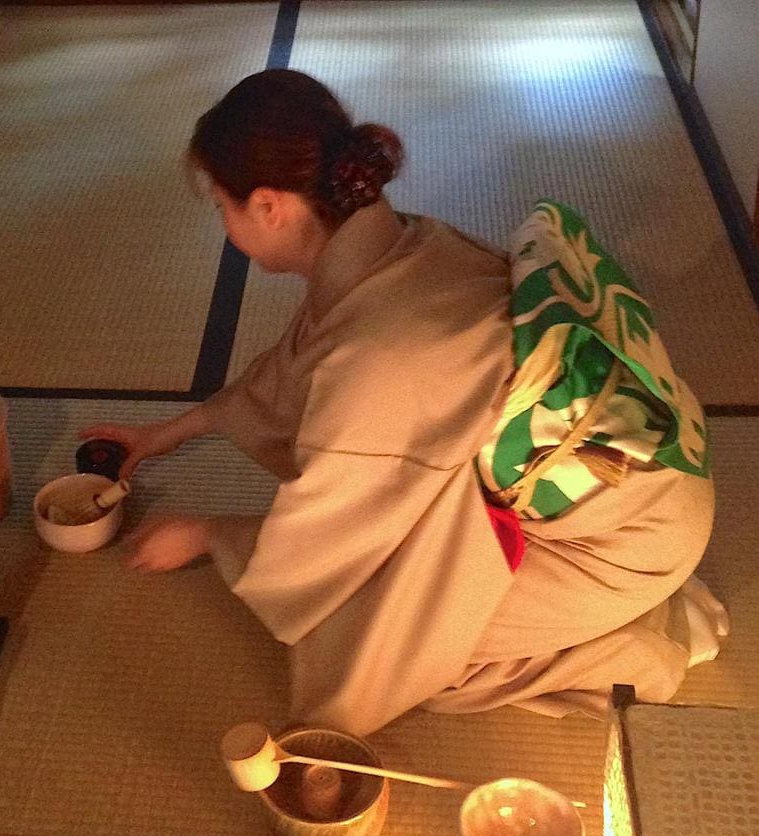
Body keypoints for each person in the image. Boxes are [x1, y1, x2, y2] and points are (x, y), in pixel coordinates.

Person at [82, 69, 725, 736]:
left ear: (269, 205)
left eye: (222, 206)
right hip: (646, 472)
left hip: (620, 542)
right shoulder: (409, 242)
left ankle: (647, 643)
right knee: (407, 594)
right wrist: (168, 432)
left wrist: (209, 534)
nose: (223, 222)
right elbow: (297, 370)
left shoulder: (377, 361)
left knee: (398, 648)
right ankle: (623, 601)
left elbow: (327, 551)